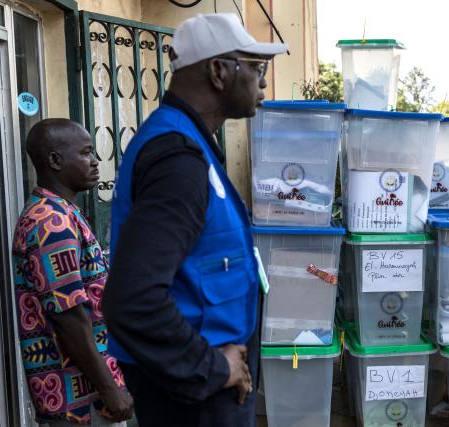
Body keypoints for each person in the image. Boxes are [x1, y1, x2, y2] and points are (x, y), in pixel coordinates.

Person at [102, 13, 286, 427]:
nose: (262, 82)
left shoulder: (193, 147)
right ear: (219, 72)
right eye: (256, 68)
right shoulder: (177, 160)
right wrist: (211, 367)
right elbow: (131, 302)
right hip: (193, 400)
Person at [11, 119, 133, 426]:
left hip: (83, 397)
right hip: (79, 403)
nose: (95, 162)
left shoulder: (61, 211)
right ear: (54, 161)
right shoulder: (51, 223)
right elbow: (69, 321)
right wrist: (111, 391)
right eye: (86, 153)